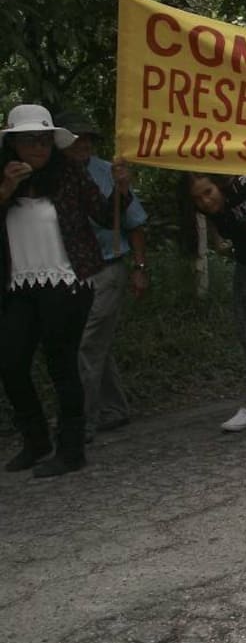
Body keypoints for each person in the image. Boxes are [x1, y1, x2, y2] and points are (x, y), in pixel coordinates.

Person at [0, 104, 134, 477]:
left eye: (44, 140)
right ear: (13, 145)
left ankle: (71, 449)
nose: (38, 147)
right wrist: (6, 188)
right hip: (18, 285)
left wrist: (122, 188)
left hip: (68, 281)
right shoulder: (4, 179)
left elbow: (106, 215)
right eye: (29, 140)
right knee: (10, 362)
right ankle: (36, 440)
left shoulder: (70, 174)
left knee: (62, 364)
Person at [54, 112, 150, 439]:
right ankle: (114, 408)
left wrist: (139, 268)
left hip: (108, 267)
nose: (83, 144)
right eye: (76, 138)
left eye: (88, 139)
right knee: (96, 345)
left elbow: (135, 223)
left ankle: (80, 421)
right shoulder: (52, 175)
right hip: (69, 272)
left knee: (87, 343)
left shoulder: (109, 172)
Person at [186, 173, 246, 431]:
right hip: (244, 267)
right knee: (245, 332)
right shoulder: (211, 211)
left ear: (218, 185)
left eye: (208, 192)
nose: (205, 201)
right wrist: (218, 240)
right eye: (198, 198)